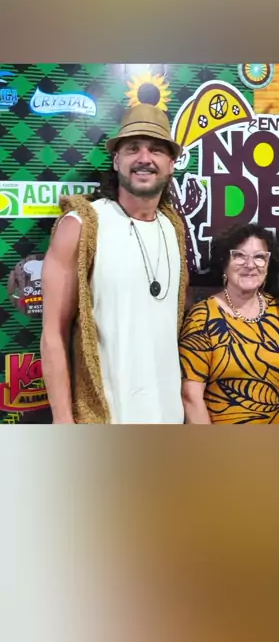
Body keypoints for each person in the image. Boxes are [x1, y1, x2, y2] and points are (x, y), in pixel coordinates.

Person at [40, 105, 188, 424]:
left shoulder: (174, 228)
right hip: (106, 420)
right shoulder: (81, 226)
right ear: (117, 160)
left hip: (169, 418)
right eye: (133, 148)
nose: (144, 158)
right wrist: (63, 421)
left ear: (171, 163)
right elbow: (53, 333)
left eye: (156, 150)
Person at [179, 224, 279, 423]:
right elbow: (191, 397)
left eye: (259, 257)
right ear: (224, 263)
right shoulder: (202, 317)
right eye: (239, 256)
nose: (250, 264)